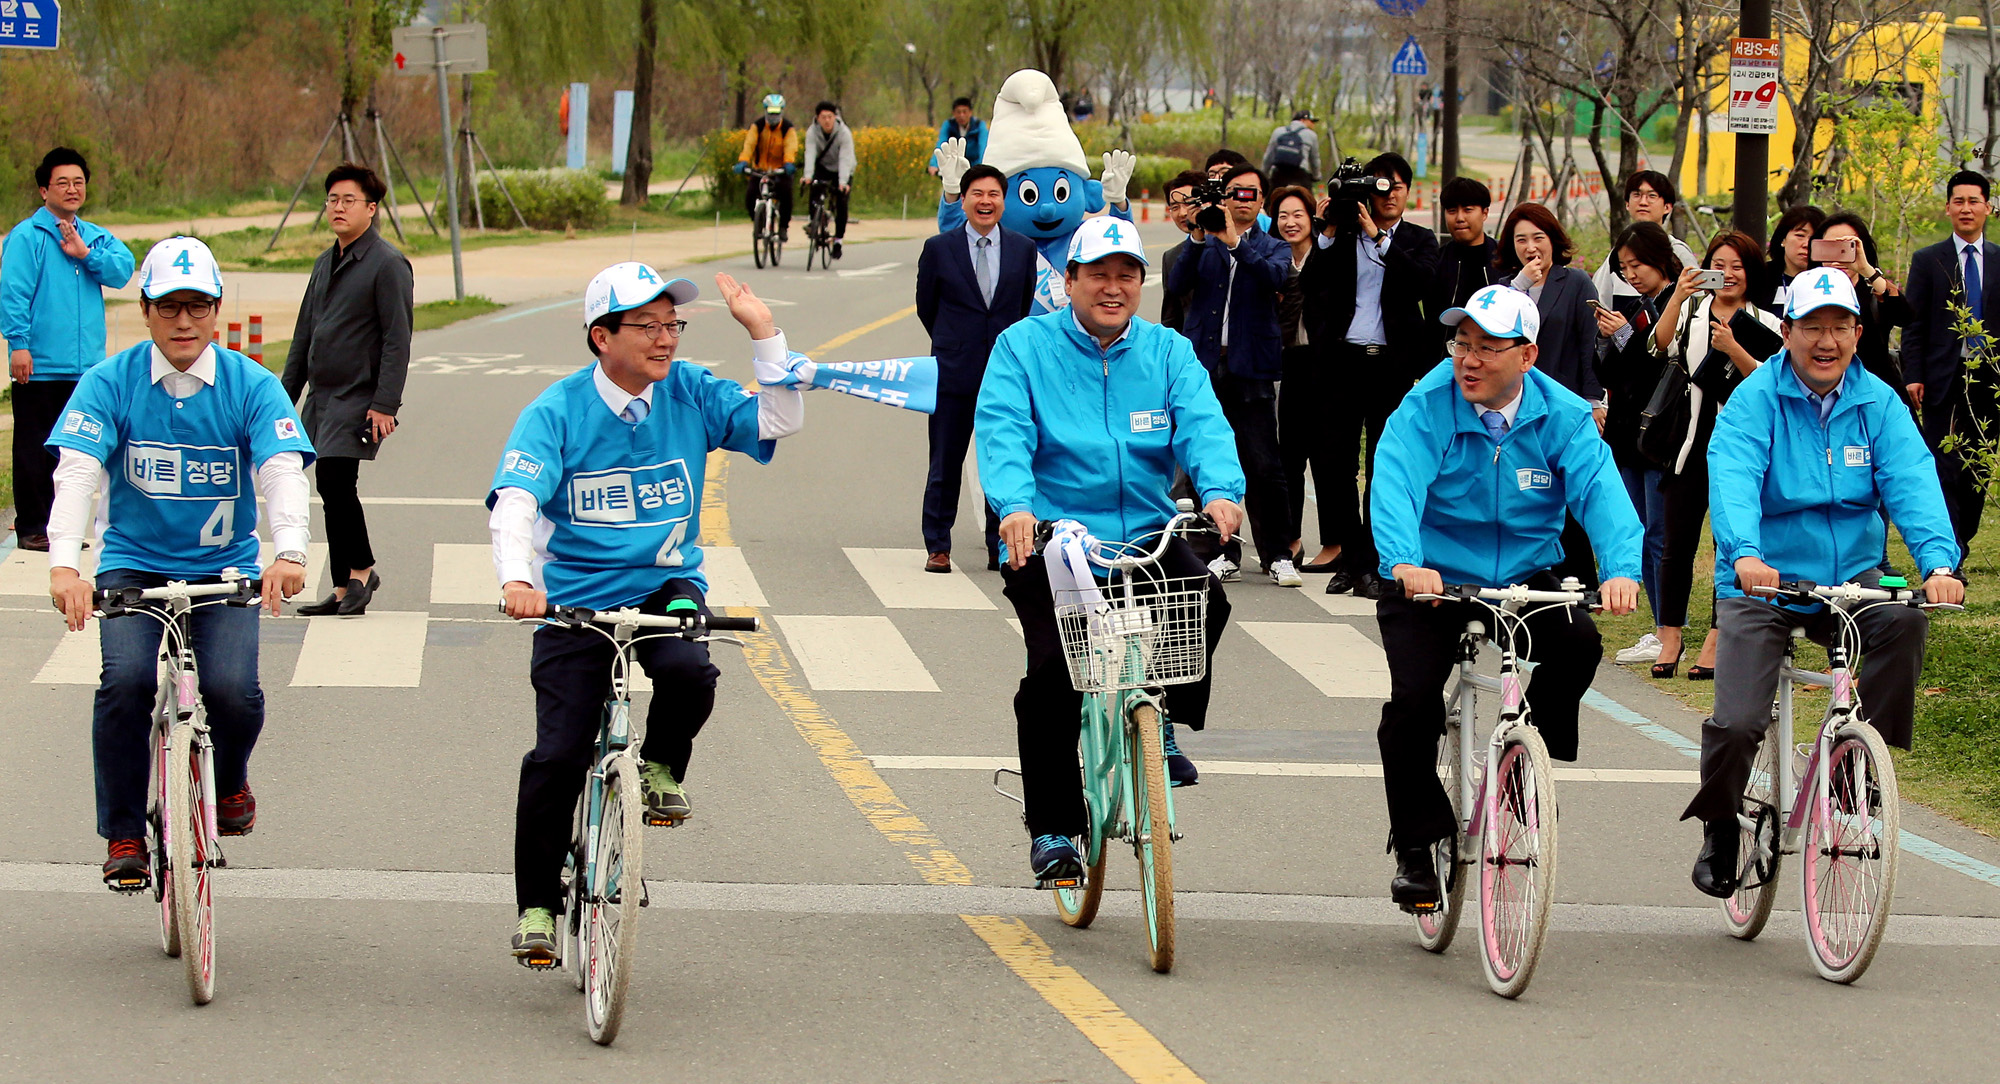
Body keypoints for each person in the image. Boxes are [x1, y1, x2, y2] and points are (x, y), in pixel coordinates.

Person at [491, 264, 804, 964]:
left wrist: (763, 334)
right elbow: (515, 501)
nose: (666, 339)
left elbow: (778, 416)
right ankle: (538, 905)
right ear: (602, 337)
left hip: (667, 584)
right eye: (648, 326)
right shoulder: (557, 411)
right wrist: (519, 581)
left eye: (673, 325)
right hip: (575, 598)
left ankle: (661, 766)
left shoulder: (689, 390)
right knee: (559, 754)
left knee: (691, 670)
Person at [1682, 266, 1964, 897]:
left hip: (1852, 576)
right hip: (1766, 580)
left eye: (1840, 326)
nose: (1826, 340)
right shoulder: (1757, 399)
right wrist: (1746, 555)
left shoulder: (1878, 402)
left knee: (1905, 620)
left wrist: (1939, 564)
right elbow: (1733, 479)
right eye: (1813, 327)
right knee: (1737, 722)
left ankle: (1860, 771)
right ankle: (1720, 822)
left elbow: (1912, 482)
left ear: (1858, 333)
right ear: (1787, 332)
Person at [977, 216, 1247, 871]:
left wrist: (1221, 492)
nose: (1112, 287)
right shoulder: (1022, 348)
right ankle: (1052, 831)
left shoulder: (1168, 352)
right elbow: (1004, 432)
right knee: (1054, 675)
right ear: (1068, 281)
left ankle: (1162, 714)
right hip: (1053, 540)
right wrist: (1014, 507)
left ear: (1141, 283)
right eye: (1097, 273)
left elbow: (1204, 427)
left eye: (1126, 274)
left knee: (1204, 598)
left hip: (1145, 535)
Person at [46, 237, 313, 887]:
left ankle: (231, 783)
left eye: (197, 306)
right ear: (144, 311)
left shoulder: (252, 386)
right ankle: (123, 834)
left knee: (232, 693)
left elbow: (280, 473)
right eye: (169, 308)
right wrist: (63, 565)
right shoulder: (110, 383)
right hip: (133, 566)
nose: (184, 322)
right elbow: (77, 473)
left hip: (223, 567)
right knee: (126, 684)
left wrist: (291, 553)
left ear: (217, 311)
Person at [1369, 283, 1642, 908]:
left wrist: (1622, 568)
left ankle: (1523, 769)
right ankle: (1416, 845)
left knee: (1577, 644)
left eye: (1488, 348)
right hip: (1433, 576)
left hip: (1524, 572)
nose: (1469, 359)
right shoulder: (1427, 404)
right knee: (1413, 705)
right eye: (1462, 344)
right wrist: (1405, 562)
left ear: (1528, 356)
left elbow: (1602, 494)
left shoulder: (1564, 414)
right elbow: (1397, 483)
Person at [1647, 231, 1784, 679]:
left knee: (1730, 543)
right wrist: (1679, 295)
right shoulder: (1691, 309)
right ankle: (1670, 632)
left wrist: (1733, 348)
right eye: (1719, 265)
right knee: (1675, 542)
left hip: (1739, 446)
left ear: (1752, 272)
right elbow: (1658, 345)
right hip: (1687, 439)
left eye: (1738, 266)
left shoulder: (1765, 319)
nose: (1728, 274)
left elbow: (1772, 382)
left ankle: (1718, 632)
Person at [1305, 151, 1440, 599]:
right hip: (1342, 361)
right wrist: (1326, 230)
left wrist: (1378, 238)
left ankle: (1375, 562)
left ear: (1405, 193)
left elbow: (1423, 284)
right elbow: (1310, 285)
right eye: (1377, 185)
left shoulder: (1419, 240)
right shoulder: (1339, 237)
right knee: (1335, 462)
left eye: (1394, 187)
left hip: (1392, 364)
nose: (1386, 195)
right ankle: (1351, 559)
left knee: (1383, 464)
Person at [281, 163, 414, 617]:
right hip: (323, 397)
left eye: (349, 201)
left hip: (359, 397)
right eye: (332, 200)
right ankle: (343, 588)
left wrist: (384, 404)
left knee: (337, 479)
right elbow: (304, 334)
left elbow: (398, 338)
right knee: (328, 483)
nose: (338, 208)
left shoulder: (388, 264)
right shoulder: (325, 262)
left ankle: (361, 572)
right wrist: (284, 397)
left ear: (371, 209)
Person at [1167, 164, 1299, 587]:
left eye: (1251, 194)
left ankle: (1278, 553)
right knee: (1208, 462)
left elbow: (1275, 277)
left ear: (1261, 202)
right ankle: (1223, 551)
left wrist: (1236, 243)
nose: (1242, 200)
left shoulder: (1273, 247)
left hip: (1251, 366)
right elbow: (1175, 283)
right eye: (1235, 192)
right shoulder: (1203, 245)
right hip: (1205, 364)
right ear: (1224, 197)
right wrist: (1198, 237)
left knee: (1263, 464)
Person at [2, 147, 135, 552]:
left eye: (78, 182)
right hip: (40, 365)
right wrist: (19, 345)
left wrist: (85, 254)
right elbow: (13, 294)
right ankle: (33, 527)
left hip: (85, 368)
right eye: (62, 182)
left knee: (75, 451)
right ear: (44, 190)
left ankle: (65, 526)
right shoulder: (27, 237)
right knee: (34, 449)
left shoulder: (92, 235)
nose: (72, 189)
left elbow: (124, 270)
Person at [915, 163, 1036, 574]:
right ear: (964, 200)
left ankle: (996, 545)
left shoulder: (1023, 248)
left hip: (1003, 375)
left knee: (1001, 458)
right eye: (978, 194)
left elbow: (1020, 307)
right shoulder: (939, 248)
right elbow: (926, 307)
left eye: (994, 195)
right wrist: (954, 342)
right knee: (945, 461)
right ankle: (938, 544)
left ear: (1004, 202)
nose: (986, 202)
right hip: (952, 372)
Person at [1494, 202, 1601, 588]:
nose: (1530, 246)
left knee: (1566, 491)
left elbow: (1590, 346)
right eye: (1521, 239)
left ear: (1553, 240)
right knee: (1523, 489)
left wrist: (1594, 401)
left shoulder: (1575, 283)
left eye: (1538, 237)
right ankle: (1527, 572)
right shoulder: (1504, 287)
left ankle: (1579, 578)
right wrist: (1520, 285)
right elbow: (1495, 325)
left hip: (1561, 405)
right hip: (1513, 408)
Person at [1595, 222, 1681, 666]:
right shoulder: (1643, 306)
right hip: (1628, 435)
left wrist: (1624, 336)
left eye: (1637, 265)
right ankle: (1658, 624)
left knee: (1660, 536)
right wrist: (1609, 337)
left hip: (1658, 437)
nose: (1630, 275)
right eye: (1624, 268)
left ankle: (1669, 628)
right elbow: (1616, 374)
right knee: (1643, 531)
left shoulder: (1677, 304)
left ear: (1660, 259)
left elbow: (1656, 363)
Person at [1903, 169, 2000, 557]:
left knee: (1978, 469)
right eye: (1958, 201)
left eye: (1974, 201)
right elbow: (1915, 322)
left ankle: (1964, 535)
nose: (1966, 208)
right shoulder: (1928, 260)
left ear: (1988, 208)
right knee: (1943, 467)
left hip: (1988, 379)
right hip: (1943, 378)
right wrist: (1913, 375)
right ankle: (1951, 548)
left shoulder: (1998, 260)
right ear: (1947, 208)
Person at [1270, 185, 1340, 572]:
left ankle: (1333, 543)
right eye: (1282, 215)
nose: (1290, 222)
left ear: (1311, 218)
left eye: (1298, 214)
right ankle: (1291, 538)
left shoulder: (1326, 255)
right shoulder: (1275, 258)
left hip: (1325, 362)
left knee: (1326, 456)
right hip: (1289, 360)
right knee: (1289, 455)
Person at [1810, 212, 1912, 408]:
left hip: (1877, 399)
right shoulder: (1808, 293)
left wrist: (1866, 269)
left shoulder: (1873, 291)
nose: (1838, 257)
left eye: (1846, 248)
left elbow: (1905, 314)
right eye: (1830, 247)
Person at [1591, 170, 1698, 306]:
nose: (1643, 202)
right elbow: (1600, 299)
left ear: (1667, 207)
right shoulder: (1619, 253)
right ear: (1627, 204)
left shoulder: (1676, 250)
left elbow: (1695, 301)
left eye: (1651, 196)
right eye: (1636, 195)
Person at [1428, 176, 1499, 344]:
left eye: (1468, 210)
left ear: (1484, 213)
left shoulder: (1504, 259)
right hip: (1446, 360)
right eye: (1452, 211)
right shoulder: (1436, 260)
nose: (1459, 218)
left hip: (1496, 358)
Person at [736, 93, 800, 240]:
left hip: (780, 171)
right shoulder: (757, 127)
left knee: (786, 194)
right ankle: (758, 221)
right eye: (770, 112)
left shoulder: (787, 128)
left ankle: (783, 226)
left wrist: (788, 163)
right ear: (765, 111)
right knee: (750, 195)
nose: (773, 116)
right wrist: (743, 161)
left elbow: (791, 146)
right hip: (760, 170)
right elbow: (749, 144)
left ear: (781, 112)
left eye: (776, 113)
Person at [805, 101, 855, 260]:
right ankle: (816, 222)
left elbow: (845, 159)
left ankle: (838, 240)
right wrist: (807, 176)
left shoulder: (844, 133)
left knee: (841, 202)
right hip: (823, 167)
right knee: (814, 191)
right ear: (817, 118)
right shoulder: (812, 132)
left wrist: (843, 182)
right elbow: (810, 153)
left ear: (835, 117)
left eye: (830, 117)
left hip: (842, 169)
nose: (827, 121)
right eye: (823, 117)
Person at [1157, 170, 1205, 330]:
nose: (1183, 213)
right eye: (1175, 207)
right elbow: (1171, 317)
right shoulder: (1171, 257)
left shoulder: (1235, 246)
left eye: (1188, 203)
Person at [1765, 203, 1826, 310]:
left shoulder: (1829, 279)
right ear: (1783, 239)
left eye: (1815, 238)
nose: (1806, 244)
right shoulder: (1761, 276)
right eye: (1800, 236)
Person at [1262, 110, 1323, 190]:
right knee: (1307, 200)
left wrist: (1264, 175)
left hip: (1279, 174)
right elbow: (1315, 160)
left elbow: (1269, 156)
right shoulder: (1311, 135)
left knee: (1272, 199)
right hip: (1300, 175)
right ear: (1303, 120)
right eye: (1311, 121)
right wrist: (1316, 176)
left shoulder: (1278, 131)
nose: (1313, 124)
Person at [928, 97, 988, 175]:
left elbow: (983, 146)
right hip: (955, 165)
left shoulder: (979, 125)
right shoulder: (949, 125)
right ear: (953, 113)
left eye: (964, 112)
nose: (961, 115)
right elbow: (941, 143)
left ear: (970, 113)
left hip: (974, 165)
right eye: (958, 112)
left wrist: (983, 166)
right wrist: (934, 164)